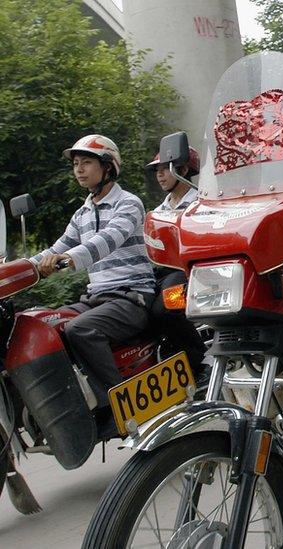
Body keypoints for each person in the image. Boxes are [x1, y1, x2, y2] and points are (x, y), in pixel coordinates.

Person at [31, 135, 157, 435]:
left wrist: (67, 258)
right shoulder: (82, 213)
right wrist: (23, 268)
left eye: (86, 162)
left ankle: (120, 409)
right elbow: (54, 249)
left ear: (108, 166)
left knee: (81, 329)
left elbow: (107, 241)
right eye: (75, 164)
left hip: (132, 295)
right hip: (98, 297)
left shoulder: (128, 203)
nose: (79, 169)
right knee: (47, 327)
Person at [145, 146, 208, 377]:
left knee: (165, 308)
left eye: (165, 169)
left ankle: (198, 359)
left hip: (189, 268)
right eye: (157, 170)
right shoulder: (159, 210)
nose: (159, 175)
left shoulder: (201, 201)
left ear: (183, 169)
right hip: (160, 271)